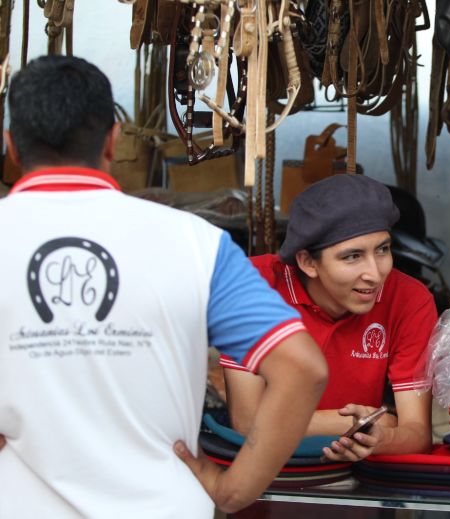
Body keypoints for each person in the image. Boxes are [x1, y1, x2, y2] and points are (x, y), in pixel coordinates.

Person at [0, 55, 328, 518]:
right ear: (113, 142)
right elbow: (301, 367)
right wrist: (235, 491)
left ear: (12, 146)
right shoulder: (195, 243)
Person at [221, 174, 438, 462]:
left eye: (383, 250)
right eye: (352, 257)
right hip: (259, 475)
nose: (374, 274)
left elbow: (417, 435)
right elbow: (248, 423)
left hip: (358, 477)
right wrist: (376, 422)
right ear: (308, 262)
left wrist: (383, 436)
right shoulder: (251, 285)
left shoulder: (411, 300)